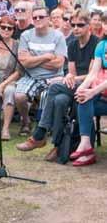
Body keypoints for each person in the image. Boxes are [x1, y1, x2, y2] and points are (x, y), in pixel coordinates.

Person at [16, 10, 98, 161]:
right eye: (73, 25)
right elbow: (71, 72)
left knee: (54, 87)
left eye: (80, 25)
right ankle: (58, 146)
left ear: (89, 26)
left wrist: (68, 79)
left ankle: (40, 133)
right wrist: (68, 77)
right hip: (74, 85)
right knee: (59, 100)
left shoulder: (96, 43)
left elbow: (92, 75)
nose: (76, 28)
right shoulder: (73, 44)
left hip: (90, 86)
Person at [15, 6, 67, 136]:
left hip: (54, 76)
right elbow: (23, 62)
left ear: (48, 19)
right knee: (19, 96)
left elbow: (58, 63)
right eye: (35, 17)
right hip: (31, 76)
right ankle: (26, 122)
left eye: (41, 17)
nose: (38, 19)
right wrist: (46, 57)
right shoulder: (26, 35)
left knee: (47, 96)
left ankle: (43, 127)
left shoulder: (58, 36)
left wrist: (32, 59)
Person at [70, 13, 107, 166]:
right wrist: (83, 89)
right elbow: (93, 73)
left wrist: (93, 91)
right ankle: (86, 145)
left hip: (102, 92)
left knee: (89, 95)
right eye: (105, 24)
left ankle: (86, 148)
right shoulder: (102, 45)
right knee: (83, 98)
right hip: (103, 96)